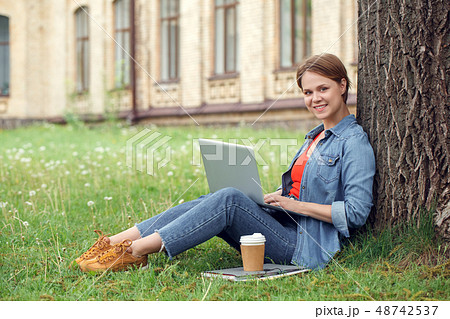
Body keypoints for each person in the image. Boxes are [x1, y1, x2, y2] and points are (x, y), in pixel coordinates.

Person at [74, 53, 375, 272]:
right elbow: (302, 190)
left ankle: (135, 251)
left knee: (230, 199)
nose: (314, 99)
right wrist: (276, 199)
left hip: (306, 247)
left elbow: (356, 213)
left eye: (323, 89)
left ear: (342, 85)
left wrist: (295, 205)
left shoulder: (354, 142)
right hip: (285, 226)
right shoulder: (314, 137)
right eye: (307, 92)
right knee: (226, 194)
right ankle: (113, 242)